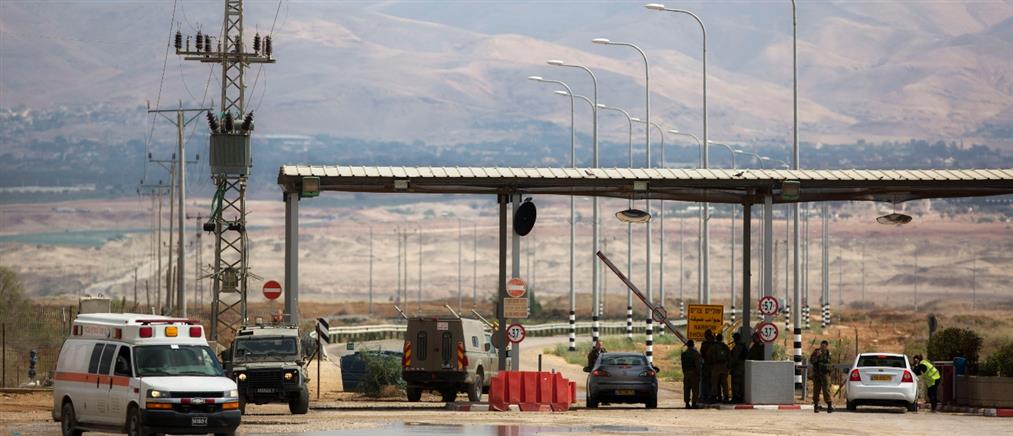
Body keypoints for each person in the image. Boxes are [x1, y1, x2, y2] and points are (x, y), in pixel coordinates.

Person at [809, 340, 834, 413]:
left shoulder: (828, 353)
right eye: (821, 345)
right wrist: (817, 356)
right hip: (817, 374)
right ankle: (816, 406)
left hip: (825, 375)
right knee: (816, 391)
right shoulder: (816, 352)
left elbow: (829, 363)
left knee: (826, 390)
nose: (822, 347)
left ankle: (829, 406)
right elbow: (811, 361)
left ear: (826, 346)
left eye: (824, 346)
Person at [708, 333, 731, 403]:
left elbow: (709, 356)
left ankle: (714, 397)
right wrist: (728, 366)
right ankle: (726, 397)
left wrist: (711, 365)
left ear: (716, 339)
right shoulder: (725, 347)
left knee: (714, 382)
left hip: (715, 367)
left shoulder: (713, 347)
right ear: (722, 339)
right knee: (724, 383)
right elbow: (729, 357)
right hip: (724, 367)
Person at [680, 340, 703, 409]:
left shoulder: (684, 354)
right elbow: (698, 365)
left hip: (686, 373)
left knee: (686, 389)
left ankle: (687, 403)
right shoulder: (695, 353)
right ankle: (694, 403)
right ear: (693, 345)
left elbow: (683, 365)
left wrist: (685, 373)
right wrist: (699, 374)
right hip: (694, 373)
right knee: (695, 389)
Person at [729, 332, 748, 403]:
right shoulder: (742, 346)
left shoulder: (738, 347)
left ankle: (736, 398)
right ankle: (740, 397)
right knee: (741, 383)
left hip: (737, 367)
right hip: (741, 367)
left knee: (736, 383)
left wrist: (730, 366)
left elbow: (735, 358)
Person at [699, 329, 715, 403]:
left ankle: (705, 396)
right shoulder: (715, 343)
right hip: (714, 366)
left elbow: (702, 354)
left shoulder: (705, 344)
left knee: (705, 381)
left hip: (706, 365)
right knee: (714, 382)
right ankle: (713, 397)